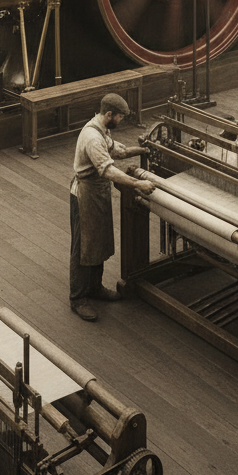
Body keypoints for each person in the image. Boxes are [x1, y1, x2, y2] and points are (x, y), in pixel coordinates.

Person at [69, 93, 156, 322]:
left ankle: (95, 288)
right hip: (85, 195)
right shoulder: (92, 137)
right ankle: (77, 298)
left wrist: (143, 150)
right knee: (83, 247)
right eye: (119, 117)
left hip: (98, 193)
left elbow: (119, 152)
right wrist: (138, 183)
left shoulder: (102, 130)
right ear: (109, 114)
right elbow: (108, 170)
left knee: (98, 241)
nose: (121, 121)